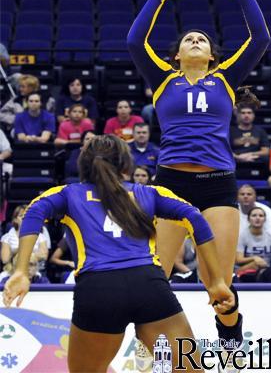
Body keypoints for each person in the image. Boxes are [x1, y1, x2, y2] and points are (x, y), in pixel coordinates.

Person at [127, 0, 271, 369]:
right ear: (177, 55)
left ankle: (231, 344)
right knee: (155, 279)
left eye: (201, 39)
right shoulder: (163, 79)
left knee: (218, 285)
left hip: (218, 186)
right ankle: (150, 354)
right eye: (188, 38)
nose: (194, 40)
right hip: (169, 185)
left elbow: (260, 38)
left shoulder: (225, 78)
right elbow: (136, 41)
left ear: (210, 55)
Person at [3, 134, 234, 373]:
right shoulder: (150, 193)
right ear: (125, 165)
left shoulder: (67, 194)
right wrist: (216, 281)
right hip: (149, 286)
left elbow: (32, 212)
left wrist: (21, 271)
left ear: (83, 164)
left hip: (98, 289)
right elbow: (195, 217)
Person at [236, 207, 271, 281]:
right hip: (245, 271)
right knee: (255, 264)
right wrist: (255, 258)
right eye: (254, 215)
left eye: (261, 216)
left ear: (265, 219)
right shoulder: (241, 237)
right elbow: (238, 260)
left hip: (268, 271)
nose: (257, 218)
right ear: (248, 219)